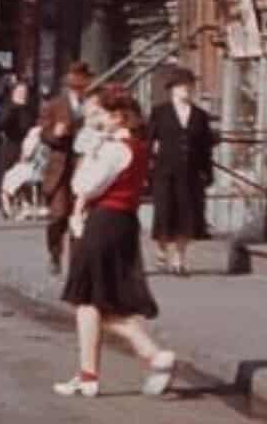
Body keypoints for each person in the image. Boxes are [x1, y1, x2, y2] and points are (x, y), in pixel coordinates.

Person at [52, 89, 176, 399]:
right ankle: (92, 373)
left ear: (118, 116)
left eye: (103, 116)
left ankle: (145, 355)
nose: (98, 122)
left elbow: (84, 185)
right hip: (123, 222)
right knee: (97, 301)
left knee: (88, 300)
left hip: (103, 222)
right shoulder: (138, 147)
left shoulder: (113, 150)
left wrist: (90, 156)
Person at [147, 67, 216, 276]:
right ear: (172, 89)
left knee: (187, 215)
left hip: (190, 172)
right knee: (165, 211)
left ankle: (179, 259)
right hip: (165, 171)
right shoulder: (160, 112)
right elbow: (149, 141)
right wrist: (148, 166)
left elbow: (205, 147)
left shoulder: (200, 115)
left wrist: (207, 172)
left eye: (189, 86)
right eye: (181, 86)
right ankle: (161, 248)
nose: (186, 89)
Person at [41, 62, 94, 276]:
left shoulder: (92, 104)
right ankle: (54, 253)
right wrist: (55, 133)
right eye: (76, 85)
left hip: (83, 166)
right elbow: (43, 134)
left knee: (78, 216)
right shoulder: (55, 105)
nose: (80, 89)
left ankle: (76, 261)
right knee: (58, 215)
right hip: (60, 167)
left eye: (83, 85)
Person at [0, 80, 39, 219]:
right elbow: (2, 124)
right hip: (12, 145)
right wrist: (13, 108)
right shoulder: (9, 107)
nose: (23, 95)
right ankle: (6, 201)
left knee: (25, 176)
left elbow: (34, 125)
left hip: (27, 145)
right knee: (9, 176)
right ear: (14, 93)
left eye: (25, 92)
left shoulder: (30, 109)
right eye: (20, 92)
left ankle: (24, 204)